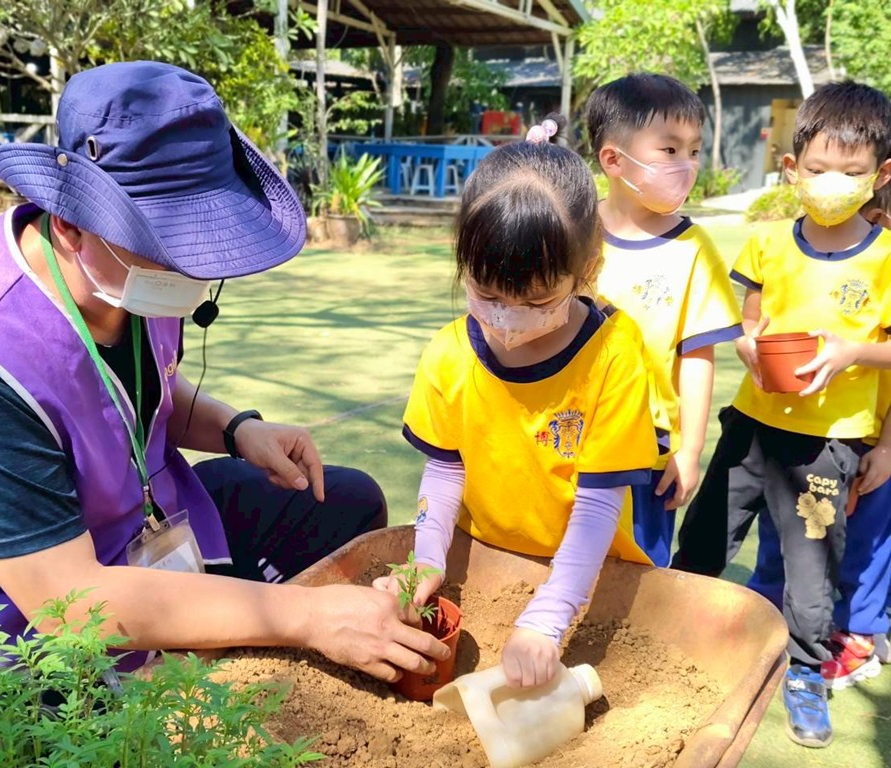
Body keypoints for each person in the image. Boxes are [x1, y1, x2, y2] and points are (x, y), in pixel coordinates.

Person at [0, 61, 449, 682]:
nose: (192, 274)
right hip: (11, 614)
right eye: (169, 249)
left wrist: (236, 429)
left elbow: (139, 389)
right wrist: (306, 616)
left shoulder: (124, 280)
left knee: (345, 504)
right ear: (70, 223)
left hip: (129, 531)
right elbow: (72, 604)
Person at [375, 116, 660, 689]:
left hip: (588, 576)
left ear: (588, 266)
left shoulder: (613, 353)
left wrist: (549, 615)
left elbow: (598, 504)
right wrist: (427, 559)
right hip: (484, 560)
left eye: (536, 300)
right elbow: (445, 469)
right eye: (486, 294)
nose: (507, 318)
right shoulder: (449, 354)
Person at [673, 82, 891, 747]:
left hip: (830, 444)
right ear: (792, 168)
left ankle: (803, 673)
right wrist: (753, 350)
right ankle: (669, 634)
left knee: (811, 570)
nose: (832, 184)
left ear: (881, 175)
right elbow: (750, 326)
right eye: (818, 169)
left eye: (851, 172)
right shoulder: (767, 244)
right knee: (705, 536)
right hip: (752, 427)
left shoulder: (886, 257)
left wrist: (853, 353)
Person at [585, 73, 742, 568]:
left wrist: (689, 450)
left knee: (637, 573)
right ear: (613, 160)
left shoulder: (694, 249)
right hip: (567, 435)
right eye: (670, 150)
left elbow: (697, 356)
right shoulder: (571, 229)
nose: (687, 165)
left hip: (648, 451)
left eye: (694, 150)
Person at [746, 184, 891, 683]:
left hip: (869, 436)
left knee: (862, 538)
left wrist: (887, 447)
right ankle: (769, 614)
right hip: (817, 426)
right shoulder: (822, 260)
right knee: (791, 525)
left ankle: (858, 631)